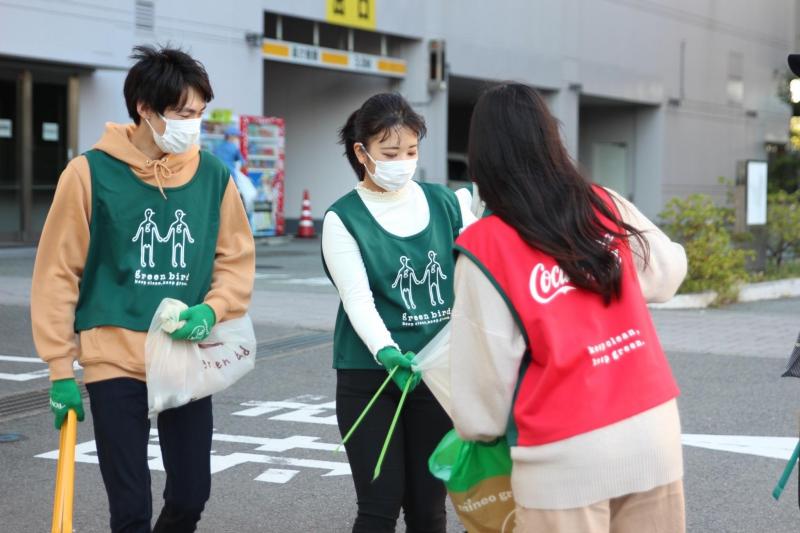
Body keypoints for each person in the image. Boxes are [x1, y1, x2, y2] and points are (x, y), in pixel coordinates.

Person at [31, 45, 255, 533]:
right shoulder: (88, 173)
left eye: (198, 113)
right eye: (182, 114)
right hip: (112, 355)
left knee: (191, 496)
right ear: (145, 109)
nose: (192, 125)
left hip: (184, 353)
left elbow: (235, 259)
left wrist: (213, 310)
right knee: (130, 509)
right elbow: (57, 272)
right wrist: (59, 369)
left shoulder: (213, 176)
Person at [448, 83, 688, 533]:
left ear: (483, 156)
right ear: (550, 139)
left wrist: (477, 429)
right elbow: (668, 272)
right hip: (652, 430)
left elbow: (483, 387)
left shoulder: (486, 245)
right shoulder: (603, 204)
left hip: (563, 453)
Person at [322, 92, 477, 533]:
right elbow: (357, 299)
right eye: (390, 153)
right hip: (371, 377)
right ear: (362, 153)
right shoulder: (342, 218)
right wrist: (387, 352)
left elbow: (478, 275)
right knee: (379, 506)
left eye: (411, 151)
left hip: (435, 374)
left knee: (428, 508)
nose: (403, 162)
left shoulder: (446, 203)